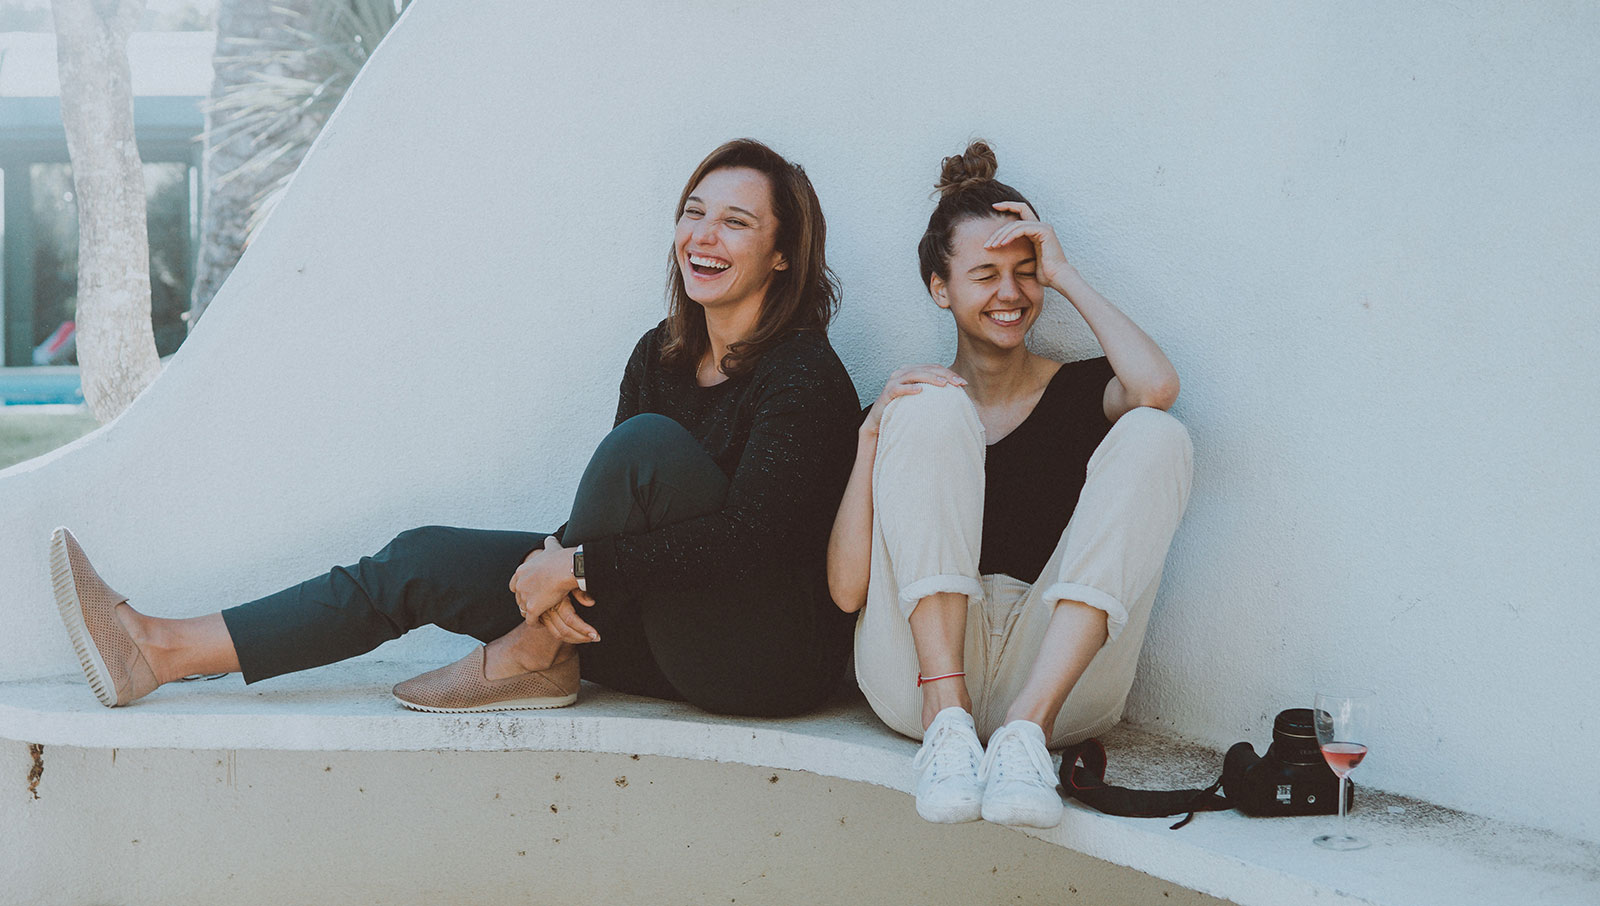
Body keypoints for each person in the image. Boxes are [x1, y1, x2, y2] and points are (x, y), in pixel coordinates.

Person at [53, 138, 861, 719]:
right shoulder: (662, 353)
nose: (703, 236)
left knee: (641, 447)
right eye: (694, 213)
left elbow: (753, 541)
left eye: (736, 223)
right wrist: (561, 564)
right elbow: (619, 518)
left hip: (762, 661)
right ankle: (158, 650)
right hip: (658, 627)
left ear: (783, 255)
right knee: (419, 558)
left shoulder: (802, 372)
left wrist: (574, 561)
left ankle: (536, 655)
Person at [828, 140, 1193, 828]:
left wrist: (1066, 275)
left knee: (1157, 431)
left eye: (1025, 273)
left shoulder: (1082, 389)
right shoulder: (909, 411)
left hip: (1054, 679)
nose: (1010, 293)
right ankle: (948, 718)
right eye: (985, 273)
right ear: (941, 288)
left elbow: (1157, 386)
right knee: (930, 405)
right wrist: (870, 435)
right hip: (917, 678)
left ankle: (1023, 731)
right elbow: (847, 590)